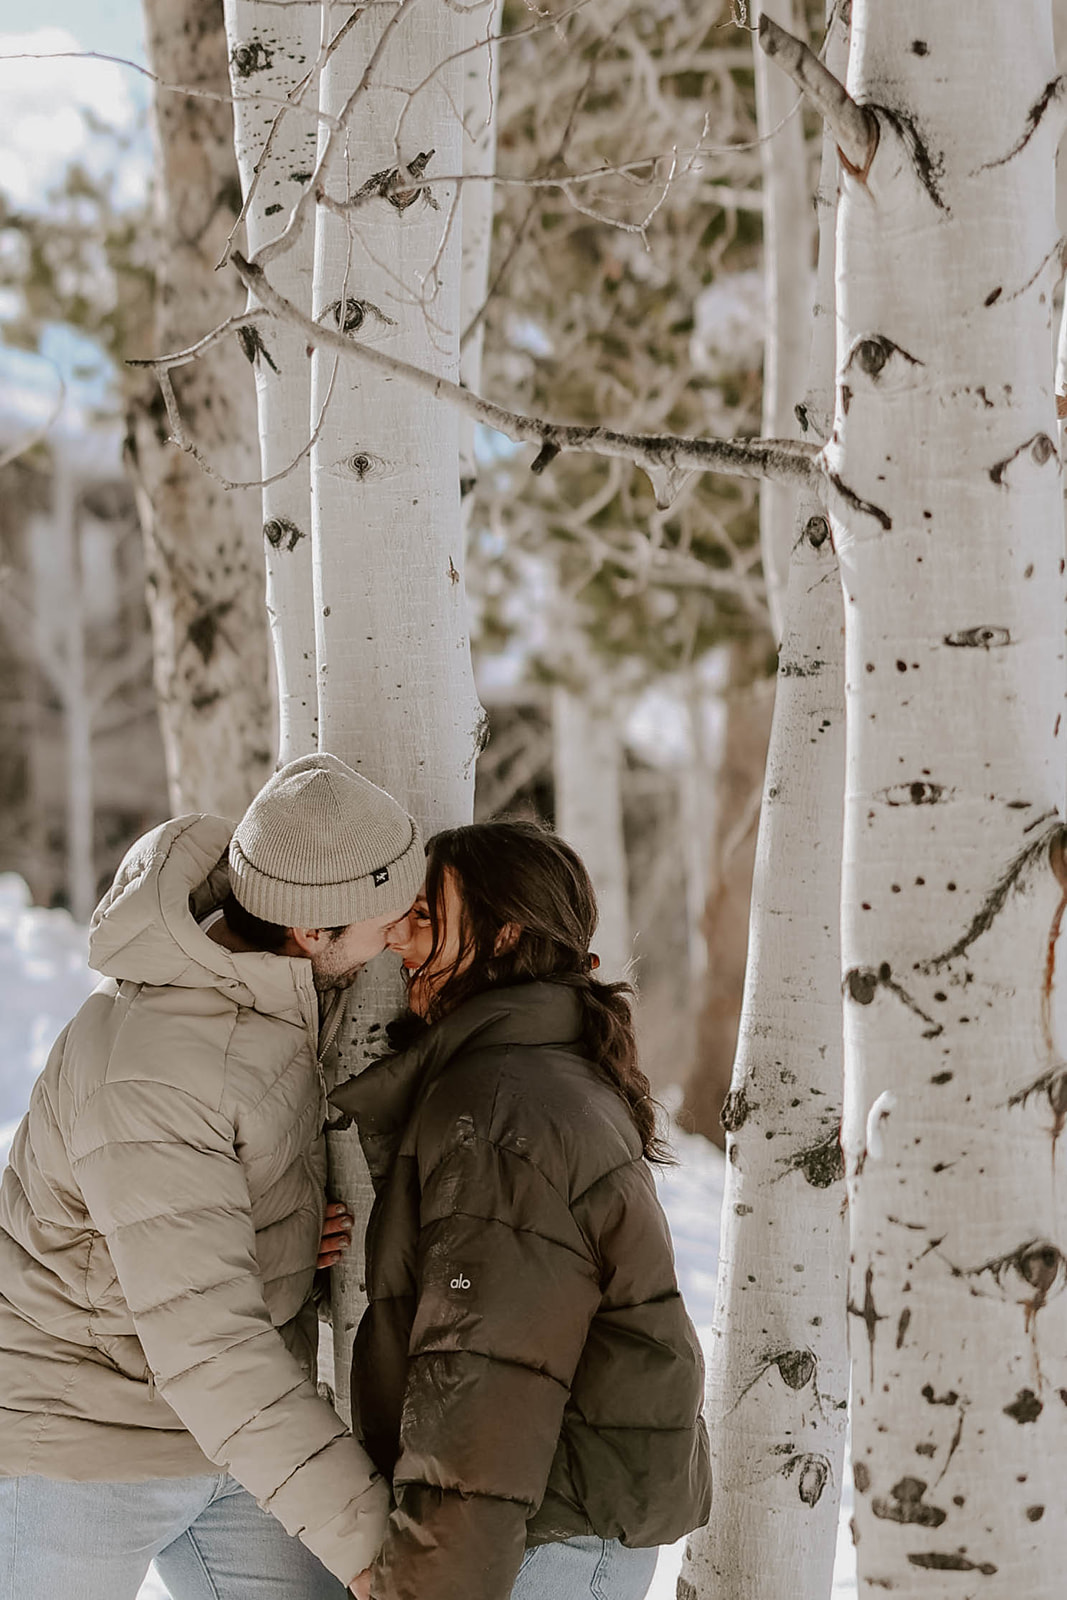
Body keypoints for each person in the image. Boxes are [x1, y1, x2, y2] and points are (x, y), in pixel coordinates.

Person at [0, 753, 424, 1600]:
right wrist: (375, 1552)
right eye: (389, 922)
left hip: (228, 1439)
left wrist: (278, 1230)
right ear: (314, 933)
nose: (404, 938)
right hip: (80, 1442)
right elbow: (207, 1341)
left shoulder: (263, 996)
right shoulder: (157, 1067)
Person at [331, 819, 711, 1600]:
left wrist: (426, 1585)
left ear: (505, 936)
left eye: (428, 919)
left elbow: (484, 1374)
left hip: (538, 1532)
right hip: (559, 1522)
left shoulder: (501, 1110)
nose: (397, 941)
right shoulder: (540, 1073)